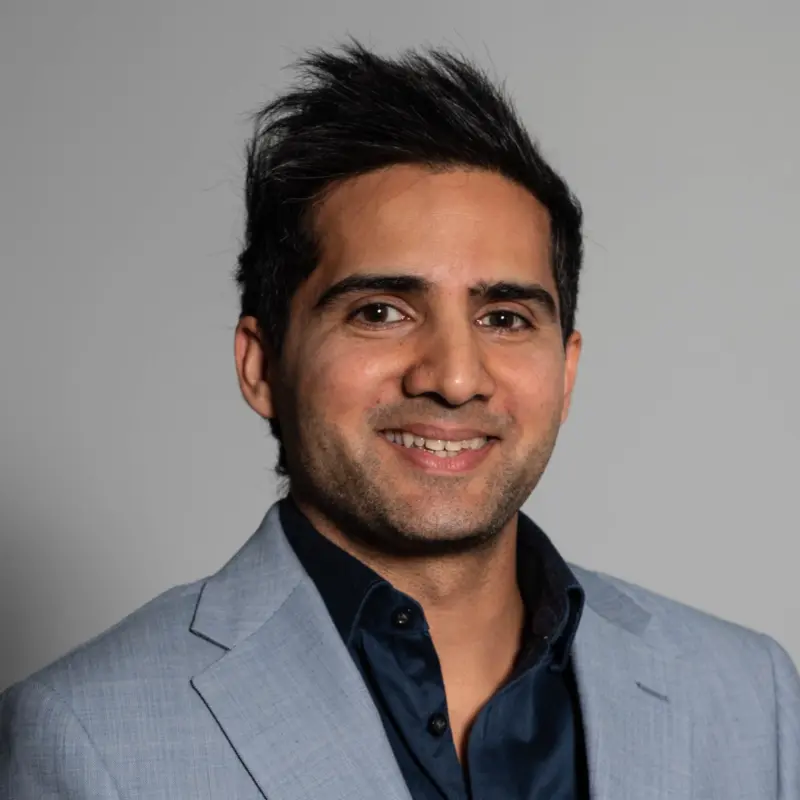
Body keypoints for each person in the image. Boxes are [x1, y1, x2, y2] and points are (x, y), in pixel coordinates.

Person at [1, 40, 798, 800]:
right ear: (261, 365)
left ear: (566, 371)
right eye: (380, 311)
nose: (453, 378)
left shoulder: (747, 695)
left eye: (506, 318)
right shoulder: (86, 739)